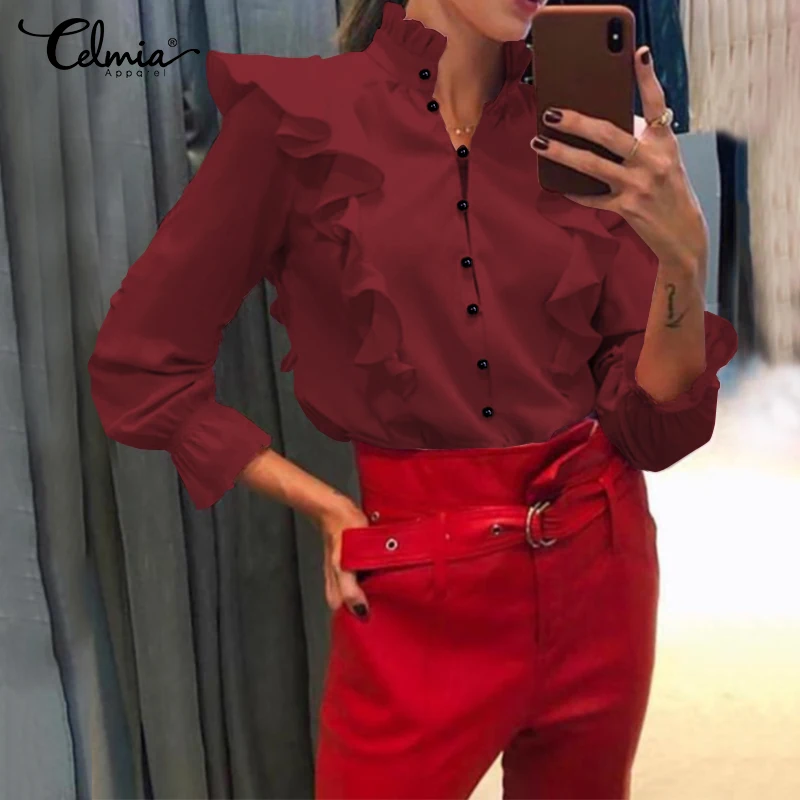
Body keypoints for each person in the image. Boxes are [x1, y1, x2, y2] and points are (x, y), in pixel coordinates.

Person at [87, 0, 738, 797]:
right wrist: (323, 504)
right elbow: (142, 362)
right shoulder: (297, 125)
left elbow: (654, 433)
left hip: (601, 570)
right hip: (413, 586)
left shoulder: (579, 133)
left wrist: (682, 260)